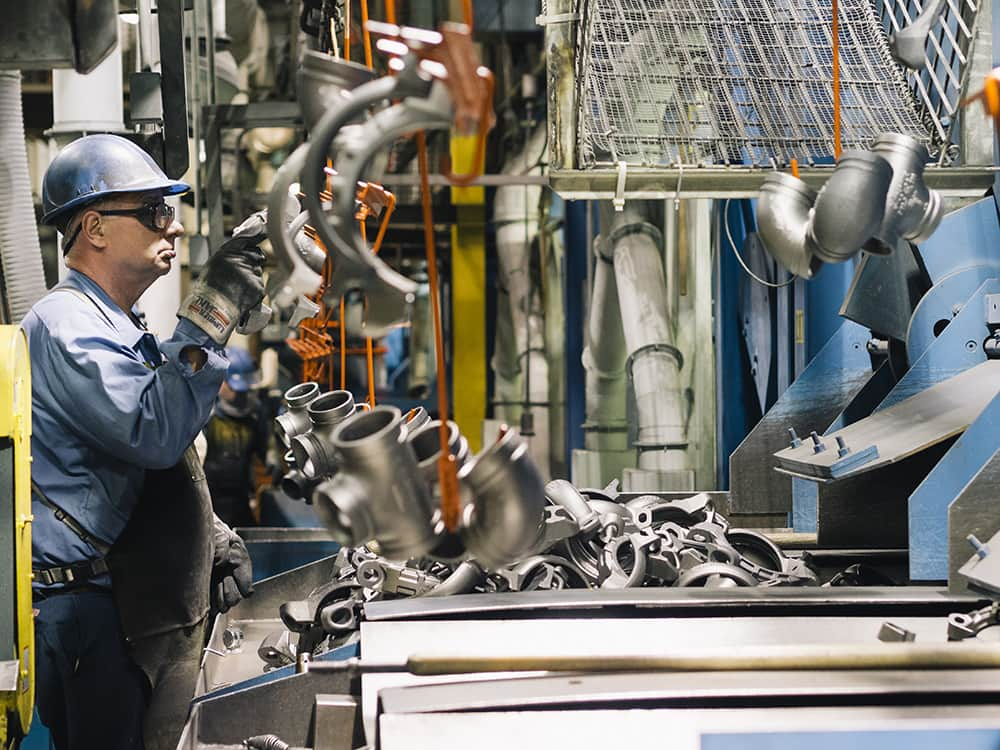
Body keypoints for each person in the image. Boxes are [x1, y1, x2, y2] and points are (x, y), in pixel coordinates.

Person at [21, 133, 265, 750]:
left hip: (126, 599)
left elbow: (153, 458)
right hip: (92, 613)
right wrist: (215, 306)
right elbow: (153, 429)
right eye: (155, 211)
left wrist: (207, 534)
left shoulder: (118, 322)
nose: (174, 227)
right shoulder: (66, 326)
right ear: (95, 228)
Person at [202, 346, 271, 528]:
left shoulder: (255, 413)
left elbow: (266, 448)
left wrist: (272, 457)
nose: (240, 396)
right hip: (208, 500)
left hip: (240, 499)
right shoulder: (203, 411)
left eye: (244, 390)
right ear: (220, 380)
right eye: (236, 389)